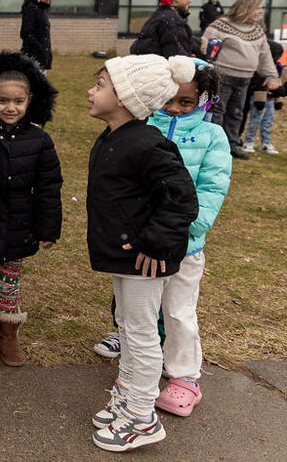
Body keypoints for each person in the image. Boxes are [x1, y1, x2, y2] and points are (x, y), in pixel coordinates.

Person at [92, 62, 231, 418]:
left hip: (184, 246)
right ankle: (138, 373)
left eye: (186, 102)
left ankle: (184, 378)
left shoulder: (212, 136)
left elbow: (209, 189)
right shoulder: (143, 130)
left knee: (178, 312)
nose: (174, 108)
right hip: (145, 246)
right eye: (170, 100)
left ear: (203, 100)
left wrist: (184, 232)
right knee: (138, 312)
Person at [85, 54, 198, 452]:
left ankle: (141, 417)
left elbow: (182, 198)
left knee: (141, 334)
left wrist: (154, 241)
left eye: (101, 85)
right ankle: (127, 398)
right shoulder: (115, 137)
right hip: (123, 254)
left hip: (143, 258)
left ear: (127, 97)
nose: (90, 91)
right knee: (130, 332)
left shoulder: (148, 143)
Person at [0, 51, 62, 368]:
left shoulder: (40, 140)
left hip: (20, 226)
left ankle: (8, 334)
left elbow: (49, 188)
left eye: (18, 101)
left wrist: (47, 229)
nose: (10, 107)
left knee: (10, 283)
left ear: (30, 100)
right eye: (3, 100)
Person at [201, 0, 280, 159]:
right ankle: (215, 146)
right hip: (222, 76)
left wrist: (272, 76)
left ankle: (231, 145)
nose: (260, 11)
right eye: (257, 8)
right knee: (217, 111)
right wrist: (208, 52)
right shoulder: (222, 25)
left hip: (244, 79)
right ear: (246, 8)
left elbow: (264, 55)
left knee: (236, 113)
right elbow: (206, 44)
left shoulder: (257, 30)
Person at [129, 0, 195, 57]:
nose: (190, 0)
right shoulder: (173, 21)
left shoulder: (158, 15)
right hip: (162, 68)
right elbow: (177, 57)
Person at [241, 40, 285, 155]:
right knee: (255, 121)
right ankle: (249, 142)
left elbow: (277, 84)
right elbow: (258, 84)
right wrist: (259, 100)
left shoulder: (276, 68)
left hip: (270, 99)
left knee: (268, 122)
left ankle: (266, 143)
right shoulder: (259, 68)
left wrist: (277, 101)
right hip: (258, 99)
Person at [19, 0, 53, 70]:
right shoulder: (31, 10)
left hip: (40, 58)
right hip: (33, 58)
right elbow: (26, 33)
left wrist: (46, 53)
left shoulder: (42, 10)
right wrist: (40, 49)